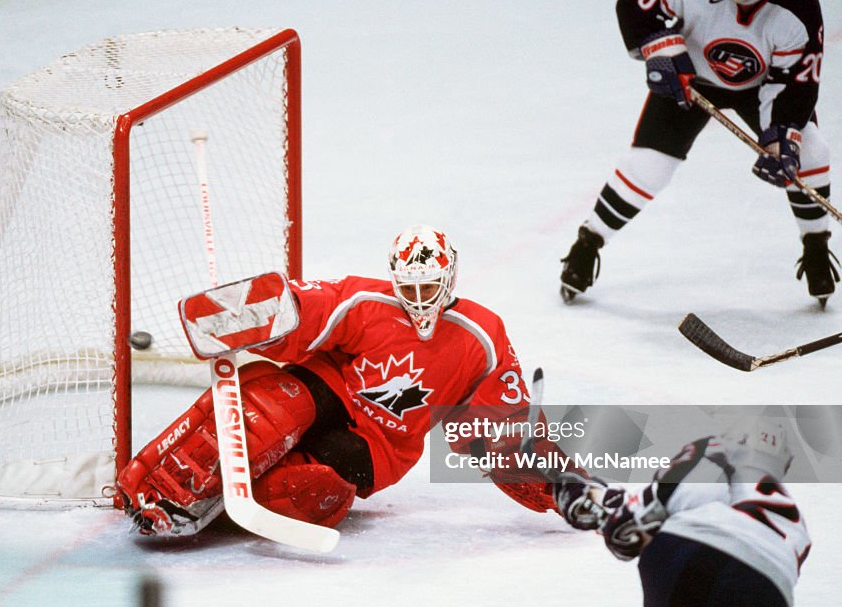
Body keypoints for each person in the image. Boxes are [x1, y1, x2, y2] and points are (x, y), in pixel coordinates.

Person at [115, 225, 558, 536]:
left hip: (379, 447)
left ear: (449, 277)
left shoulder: (482, 336)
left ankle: (225, 506)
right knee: (271, 406)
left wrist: (556, 480)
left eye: (429, 287)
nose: (419, 300)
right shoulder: (369, 301)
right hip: (330, 388)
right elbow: (315, 307)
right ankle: (165, 486)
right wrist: (257, 314)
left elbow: (497, 425)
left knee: (310, 488)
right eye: (410, 288)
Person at [560, 0, 838, 307]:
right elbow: (634, 5)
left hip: (762, 90)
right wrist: (661, 48)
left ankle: (816, 245)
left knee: (811, 151)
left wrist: (780, 142)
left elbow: (795, 84)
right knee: (649, 166)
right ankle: (589, 241)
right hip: (688, 80)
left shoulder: (798, 3)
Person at [553, 417, 811, 607]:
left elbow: (632, 529)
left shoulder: (713, 453)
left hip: (677, 563)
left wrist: (589, 498)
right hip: (759, 583)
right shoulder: (795, 524)